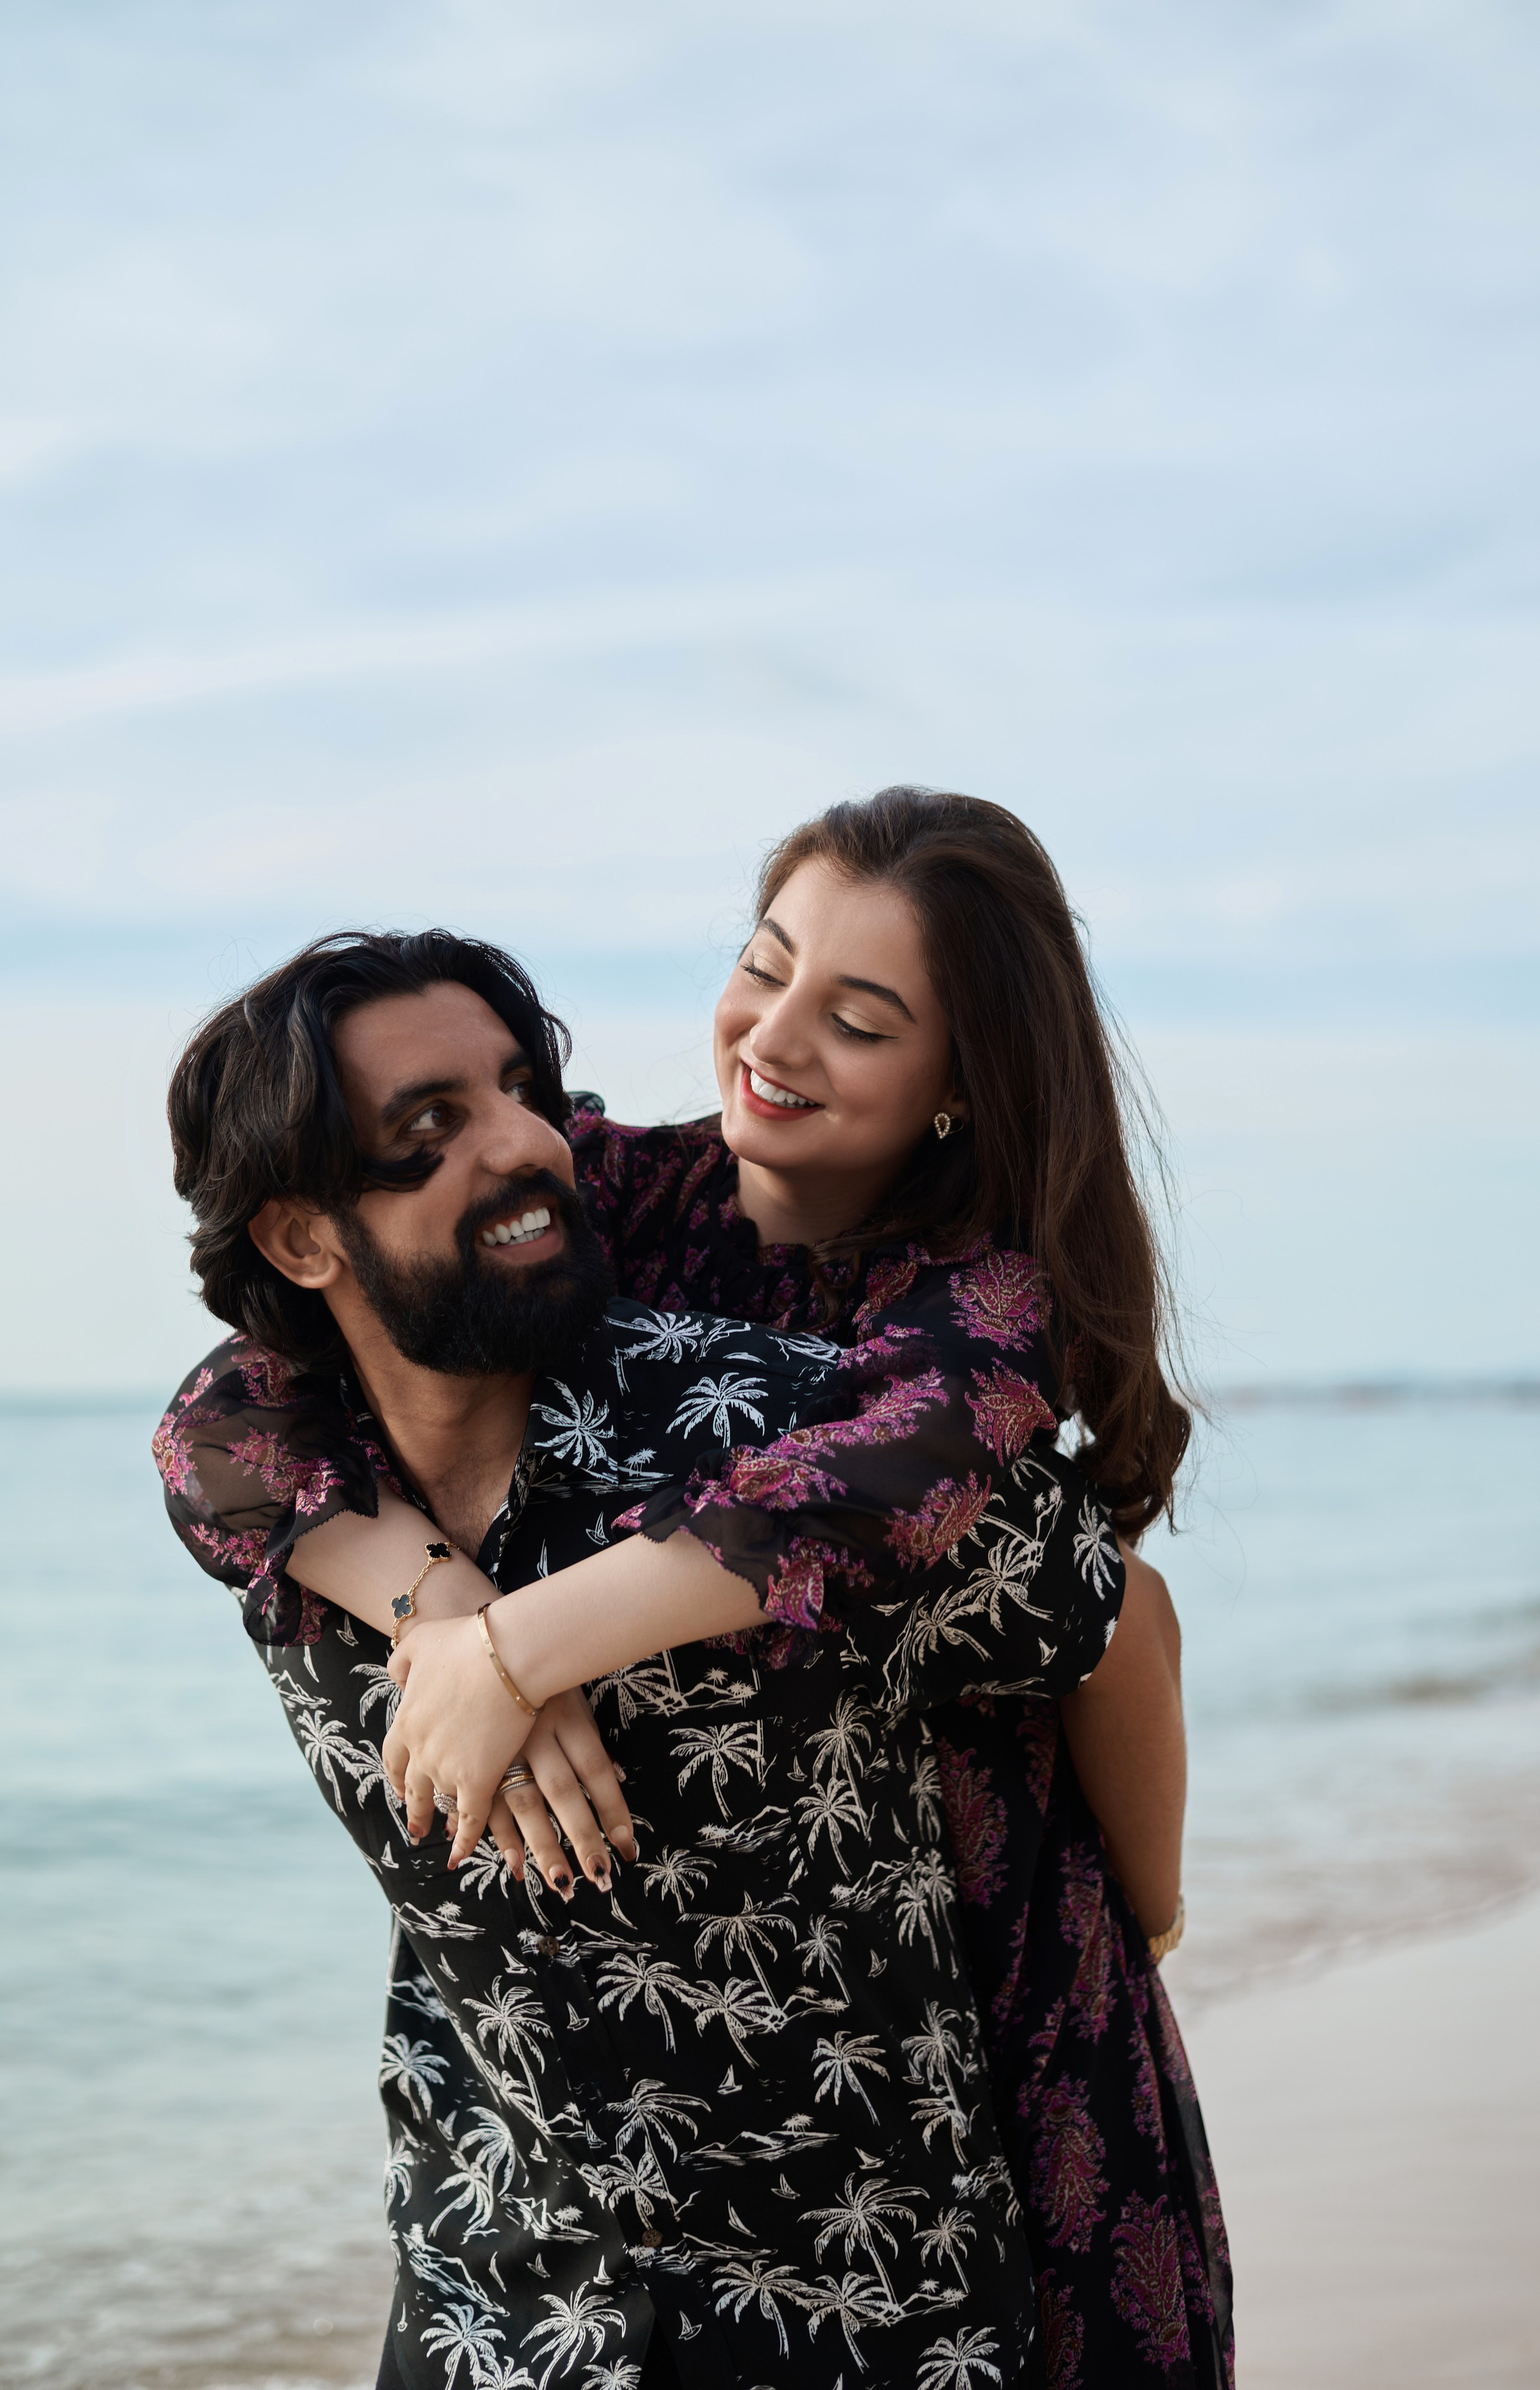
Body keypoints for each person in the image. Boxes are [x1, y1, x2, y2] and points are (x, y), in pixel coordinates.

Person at [161, 790, 1233, 2387]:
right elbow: (223, 1413)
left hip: (981, 1973)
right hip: (533, 2254)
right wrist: (443, 1610)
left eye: (858, 1019)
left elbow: (1105, 1611)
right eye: (764, 964)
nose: (774, 1038)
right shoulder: (609, 1201)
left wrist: (1141, 1915)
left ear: (960, 1084)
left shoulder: (953, 1316)